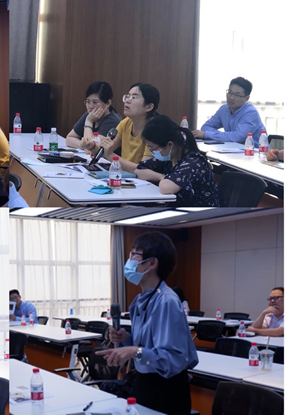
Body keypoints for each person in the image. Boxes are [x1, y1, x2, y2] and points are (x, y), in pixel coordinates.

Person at [97, 232, 198, 415]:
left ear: (151, 263)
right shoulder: (140, 300)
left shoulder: (167, 301)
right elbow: (147, 345)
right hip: (145, 382)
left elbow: (174, 358)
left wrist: (134, 351)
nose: (129, 261)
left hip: (168, 389)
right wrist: (127, 339)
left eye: (134, 255)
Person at [135, 115, 219, 207]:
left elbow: (166, 187)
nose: (152, 152)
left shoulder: (194, 162)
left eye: (152, 148)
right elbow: (139, 170)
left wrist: (162, 178)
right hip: (179, 210)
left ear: (170, 145)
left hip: (201, 213)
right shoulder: (169, 158)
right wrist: (161, 177)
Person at [95, 83, 159, 173]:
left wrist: (110, 156)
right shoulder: (126, 122)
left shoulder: (155, 130)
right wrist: (92, 147)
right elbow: (105, 150)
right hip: (126, 175)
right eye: (127, 96)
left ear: (149, 107)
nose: (127, 101)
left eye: (134, 97)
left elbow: (143, 169)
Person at [192, 77, 266, 145]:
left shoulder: (251, 113)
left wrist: (207, 135)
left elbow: (237, 137)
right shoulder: (224, 109)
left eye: (237, 95)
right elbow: (205, 127)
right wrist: (222, 136)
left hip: (256, 152)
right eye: (230, 92)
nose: (231, 98)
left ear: (247, 98)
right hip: (232, 150)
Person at [66, 81, 121, 151]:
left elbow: (91, 149)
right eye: (88, 102)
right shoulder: (89, 114)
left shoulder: (113, 120)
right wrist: (82, 145)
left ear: (108, 103)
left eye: (95, 102)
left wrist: (89, 121)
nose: (90, 106)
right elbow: (69, 138)